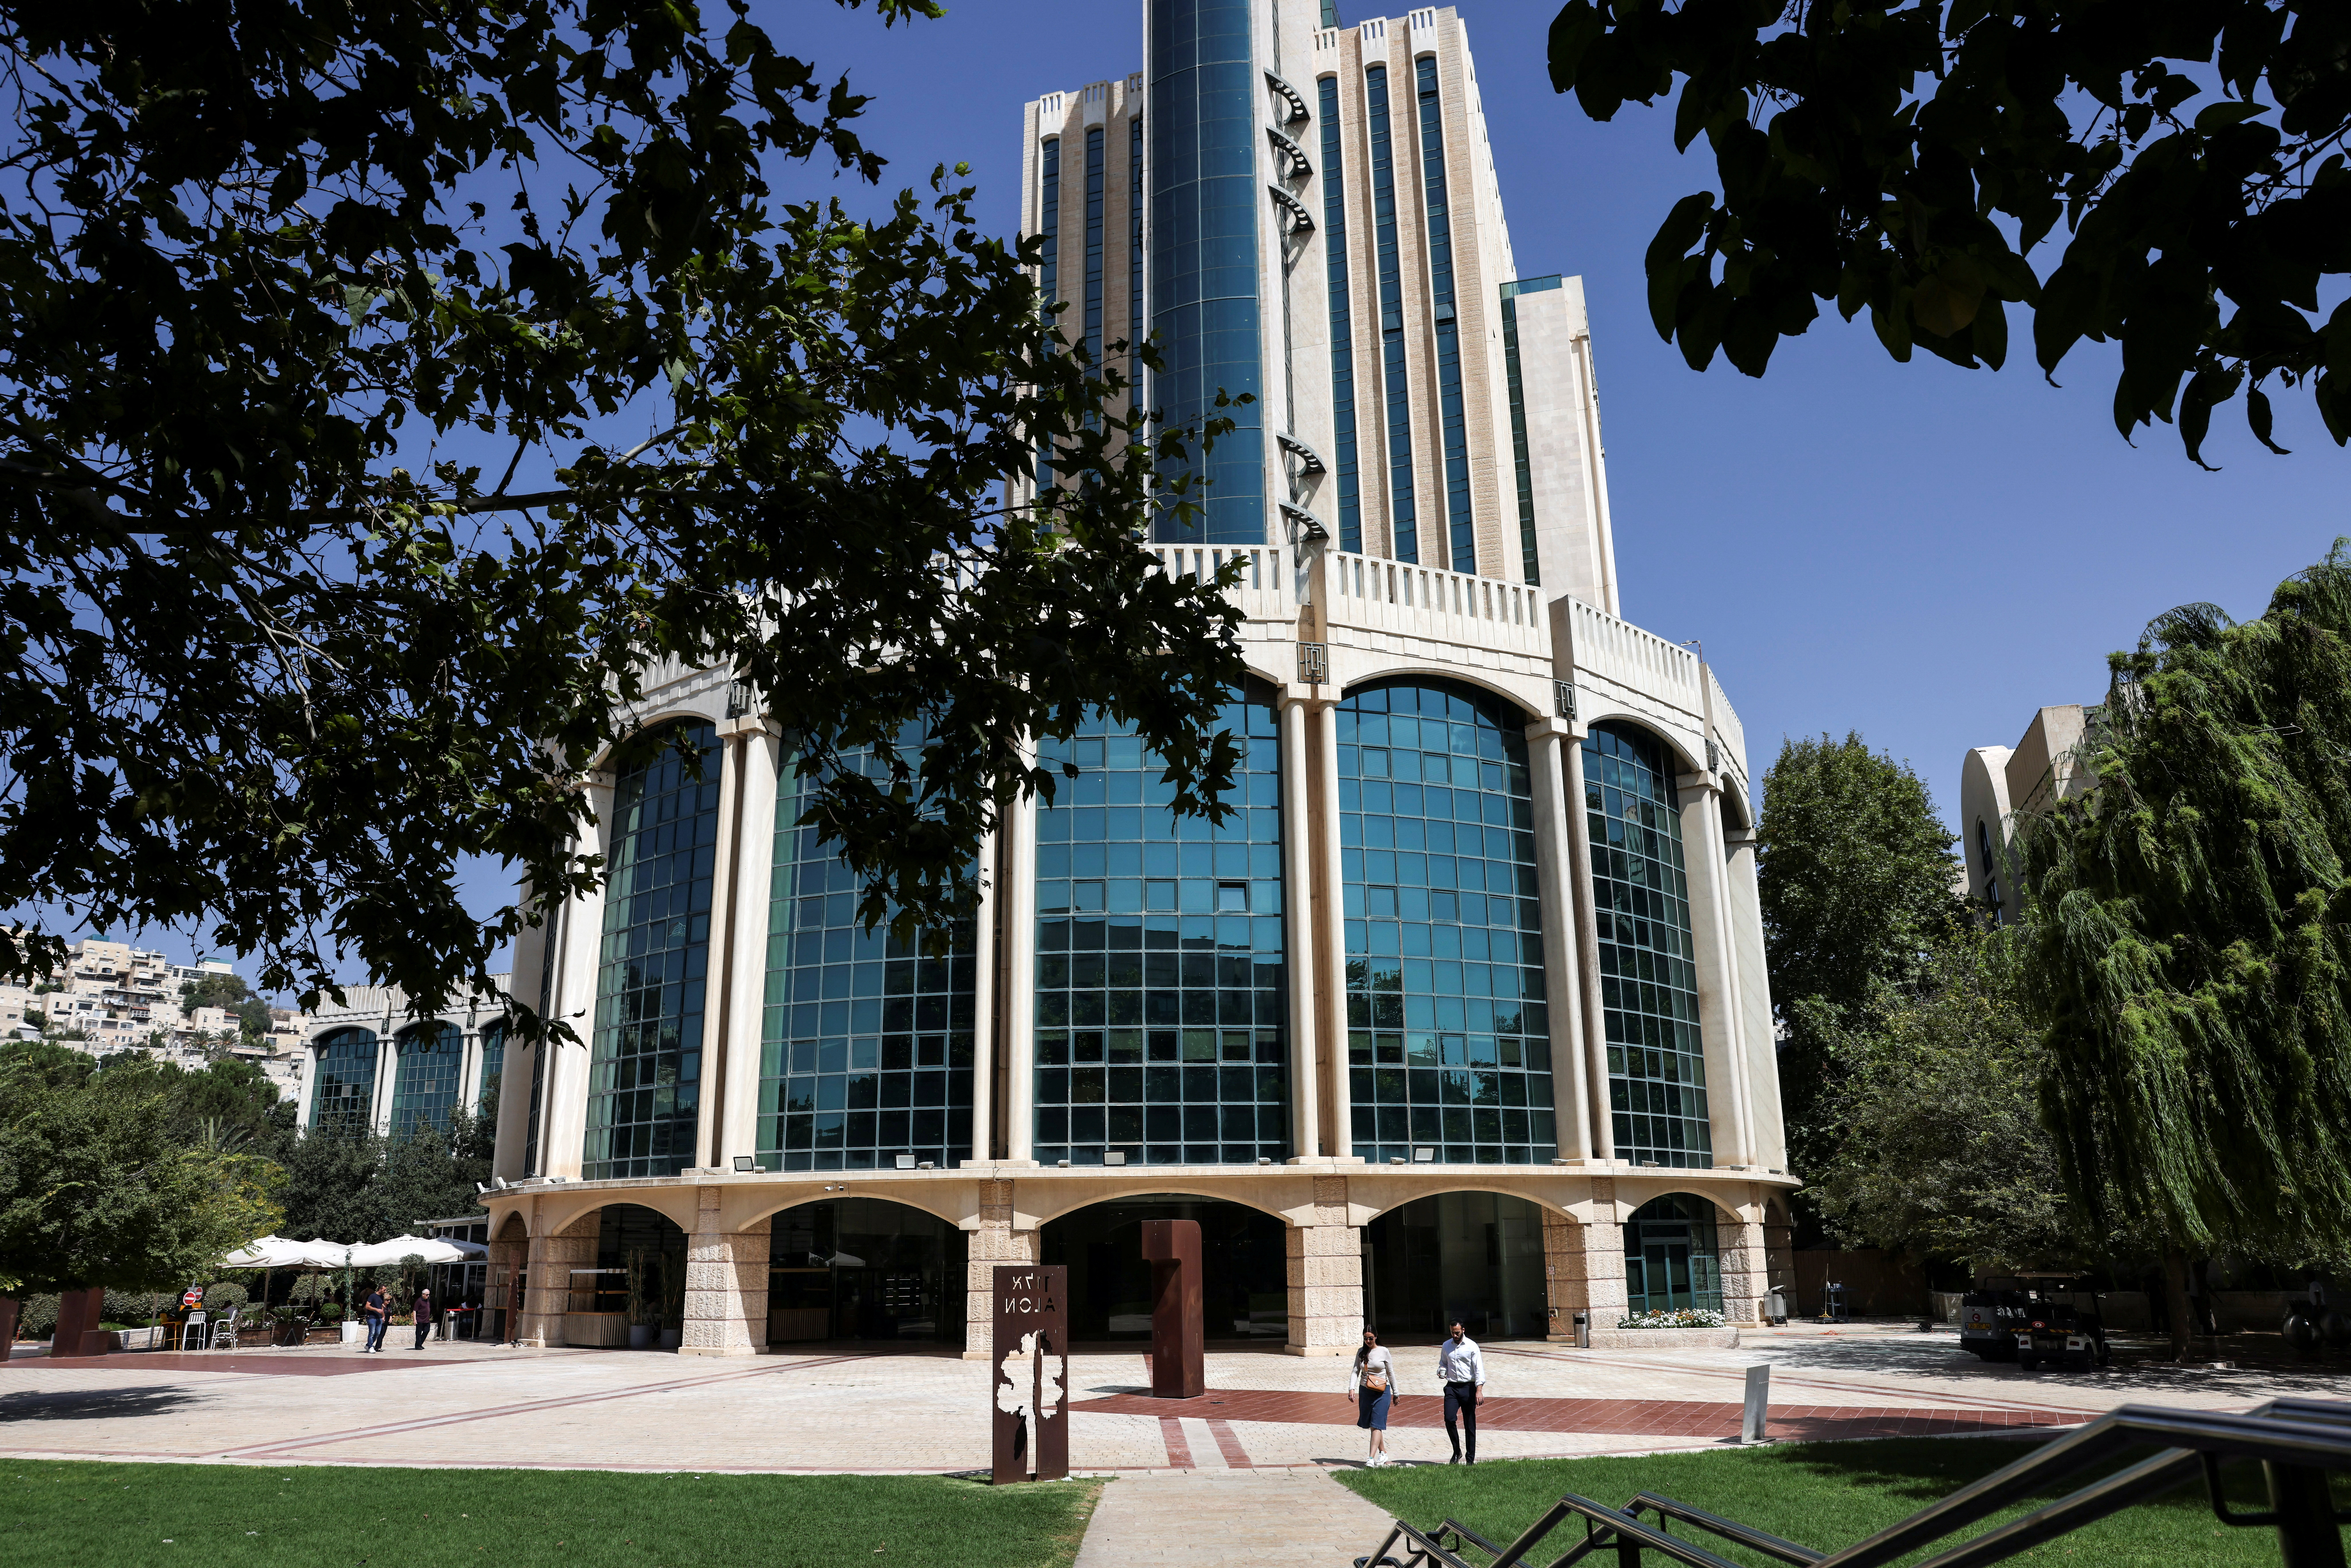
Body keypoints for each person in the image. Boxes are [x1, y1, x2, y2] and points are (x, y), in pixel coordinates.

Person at [1347, 1328, 1399, 1467]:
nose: (1368, 1341)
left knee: (1377, 1424)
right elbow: (1355, 1371)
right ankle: (1384, 1452)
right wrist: (1351, 1388)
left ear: (1376, 1337)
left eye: (1371, 1338)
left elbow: (1391, 1373)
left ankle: (1371, 1458)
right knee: (1373, 1425)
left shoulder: (1384, 1351)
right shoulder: (1361, 1352)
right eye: (1366, 1338)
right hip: (1366, 1391)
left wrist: (1396, 1393)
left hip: (1382, 1392)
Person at [1438, 1317, 1485, 1465]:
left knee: (1469, 1424)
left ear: (1463, 1330)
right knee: (1449, 1419)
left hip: (1469, 1388)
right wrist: (1441, 1371)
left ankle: (1470, 1459)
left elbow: (1479, 1370)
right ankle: (1457, 1451)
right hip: (1452, 1387)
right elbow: (1443, 1363)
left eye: (1457, 1332)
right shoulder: (1446, 1346)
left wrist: (1479, 1390)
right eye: (1452, 1333)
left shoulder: (1472, 1346)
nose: (1455, 1335)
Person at [361, 1284, 389, 1353]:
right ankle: (370, 1347)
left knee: (378, 1333)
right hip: (372, 1318)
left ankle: (368, 1345)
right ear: (380, 1290)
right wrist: (376, 1310)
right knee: (372, 1333)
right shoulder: (372, 1296)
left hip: (379, 1318)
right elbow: (367, 1306)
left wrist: (383, 1316)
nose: (386, 1291)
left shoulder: (382, 1297)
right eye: (384, 1290)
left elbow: (381, 1308)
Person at [410, 1286, 433, 1350]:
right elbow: (415, 1311)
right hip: (420, 1320)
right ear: (423, 1295)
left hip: (427, 1321)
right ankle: (418, 1346)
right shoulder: (419, 1301)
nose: (428, 1296)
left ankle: (420, 1344)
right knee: (419, 1333)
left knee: (427, 1331)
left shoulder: (427, 1300)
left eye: (429, 1295)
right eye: (427, 1295)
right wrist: (415, 1320)